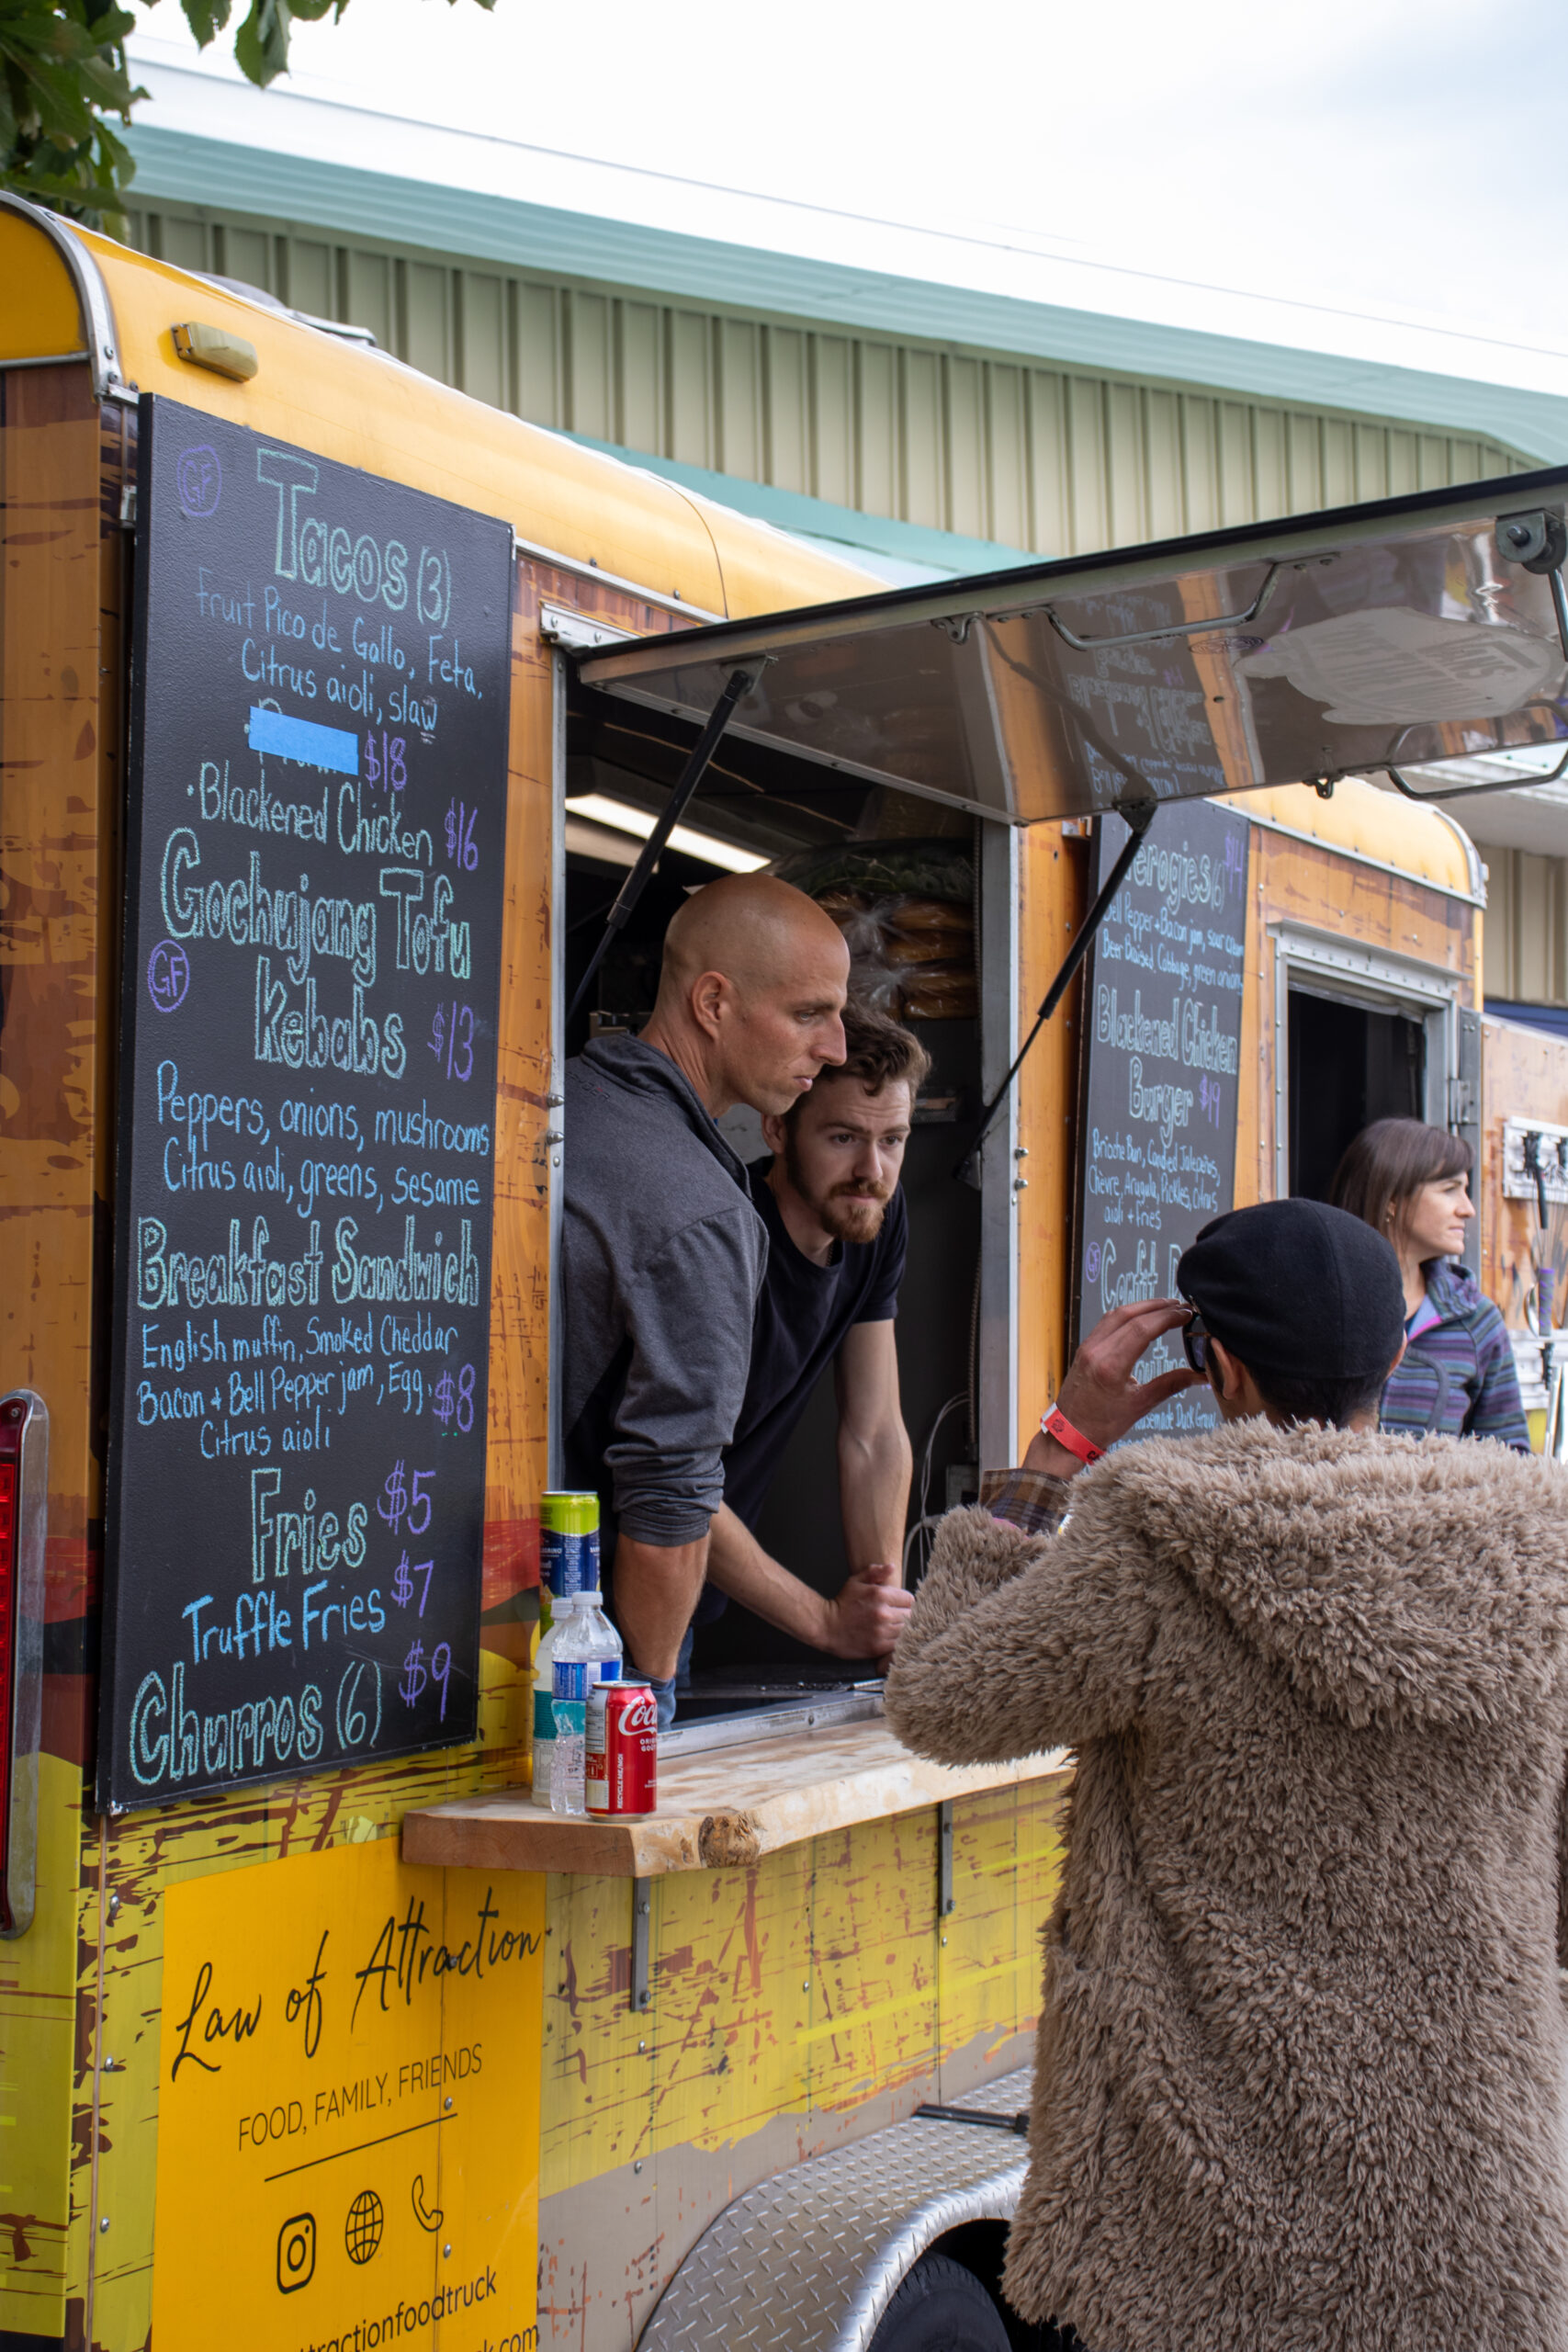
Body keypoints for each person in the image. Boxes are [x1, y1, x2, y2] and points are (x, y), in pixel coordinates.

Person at [885, 1197, 1568, 2352]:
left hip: (1213, 2224)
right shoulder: (1537, 1551)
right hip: (1479, 2198)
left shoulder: (1156, 1545)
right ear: (1398, 1352)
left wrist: (1060, 1444)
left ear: (1218, 1368)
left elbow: (939, 1697)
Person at [562, 871, 849, 1724]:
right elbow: (671, 1496)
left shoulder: (552, 1106)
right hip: (583, 1662)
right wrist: (646, 1699)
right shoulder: (700, 1211)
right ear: (713, 1002)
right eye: (809, 1014)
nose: (835, 1047)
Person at [701, 1002, 929, 1668]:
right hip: (588, 1591)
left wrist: (879, 1612)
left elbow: (874, 1433)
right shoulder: (722, 1236)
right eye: (841, 1138)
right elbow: (671, 1476)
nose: (871, 1170)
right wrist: (826, 1623)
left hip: (694, 1587)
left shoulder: (876, 1218)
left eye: (891, 1140)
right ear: (777, 1129)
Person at [1330, 1115, 1529, 1450]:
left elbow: (1513, 1462)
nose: (1468, 1209)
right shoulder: (1314, 1306)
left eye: (1466, 1191)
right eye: (1450, 1190)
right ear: (1391, 1198)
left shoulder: (1477, 1320)